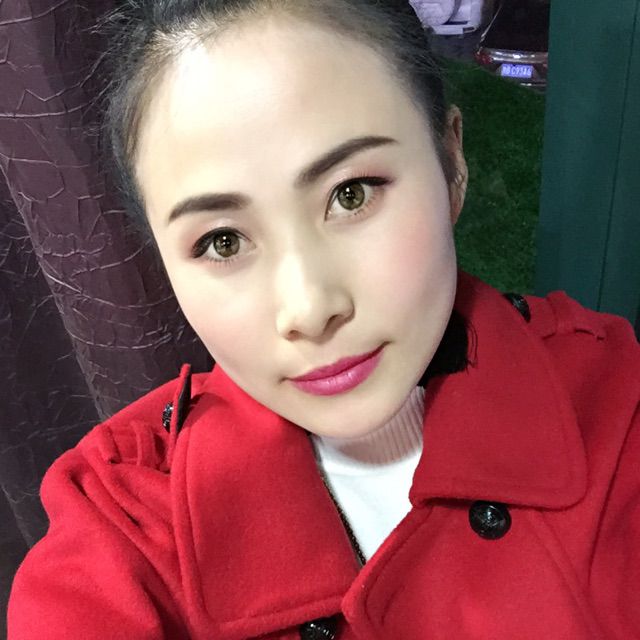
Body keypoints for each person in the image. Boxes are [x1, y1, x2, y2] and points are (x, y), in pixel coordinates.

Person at [7, 1, 640, 638]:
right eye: (223, 241)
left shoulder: (615, 403)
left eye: (350, 194)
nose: (309, 310)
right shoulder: (121, 524)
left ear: (452, 162)